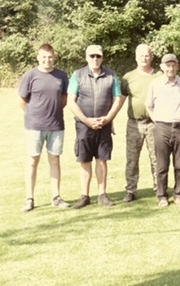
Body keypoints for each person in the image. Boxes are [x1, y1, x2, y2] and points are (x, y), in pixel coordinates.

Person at [67, 45, 124, 209]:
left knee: (102, 160)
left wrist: (107, 120)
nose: (95, 59)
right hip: (84, 126)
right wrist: (86, 120)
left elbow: (118, 99)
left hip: (103, 125)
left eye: (98, 56)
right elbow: (71, 101)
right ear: (86, 57)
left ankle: (102, 194)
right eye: (92, 56)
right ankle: (85, 195)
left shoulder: (111, 76)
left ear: (102, 58)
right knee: (84, 160)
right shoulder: (78, 75)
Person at [19, 43, 71, 212]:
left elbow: (64, 99)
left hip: (56, 125)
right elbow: (22, 100)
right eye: (44, 57)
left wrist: (52, 113)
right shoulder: (30, 76)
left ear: (54, 57)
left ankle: (56, 197)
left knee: (55, 160)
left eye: (50, 57)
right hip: (34, 126)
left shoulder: (62, 76)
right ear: (38, 57)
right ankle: (29, 198)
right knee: (33, 161)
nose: (47, 60)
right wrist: (33, 115)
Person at [146, 53, 180, 208]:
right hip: (161, 128)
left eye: (173, 65)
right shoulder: (155, 84)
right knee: (162, 165)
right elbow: (148, 106)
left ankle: (178, 195)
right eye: (168, 65)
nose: (171, 68)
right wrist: (156, 120)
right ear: (162, 67)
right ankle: (162, 196)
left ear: (177, 66)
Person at [121, 44, 162, 203]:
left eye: (147, 55)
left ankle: (159, 188)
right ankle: (131, 190)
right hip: (134, 124)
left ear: (151, 56)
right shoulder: (128, 77)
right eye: (141, 56)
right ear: (136, 57)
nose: (144, 59)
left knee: (156, 158)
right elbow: (121, 100)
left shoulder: (159, 76)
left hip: (154, 123)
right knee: (132, 158)